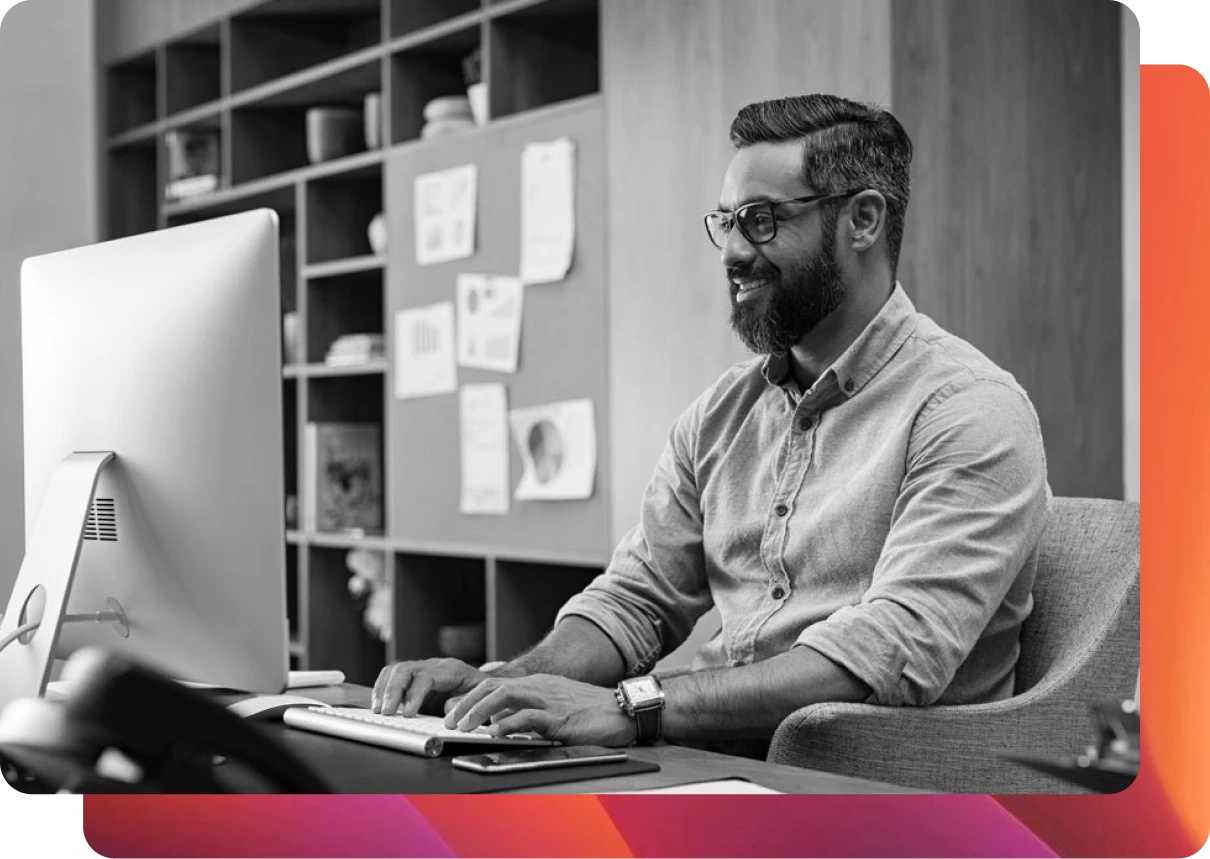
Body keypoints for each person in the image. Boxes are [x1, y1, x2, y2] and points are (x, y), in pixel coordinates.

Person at [372, 93, 1051, 757]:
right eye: (725, 222)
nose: (730, 251)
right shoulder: (722, 413)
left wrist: (631, 708)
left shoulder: (970, 410)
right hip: (707, 760)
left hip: (871, 793)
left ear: (863, 221)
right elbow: (638, 596)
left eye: (760, 220)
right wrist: (506, 686)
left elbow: (886, 651)